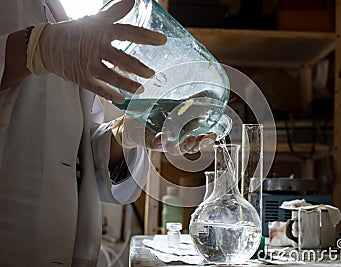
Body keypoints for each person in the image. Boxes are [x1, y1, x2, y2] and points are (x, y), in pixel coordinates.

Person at [0, 0, 215, 266]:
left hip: (61, 242)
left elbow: (77, 155)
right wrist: (36, 48)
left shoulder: (60, 16)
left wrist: (130, 132)